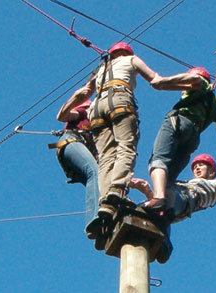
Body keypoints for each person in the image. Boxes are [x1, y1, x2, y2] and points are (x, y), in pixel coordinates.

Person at [78, 42, 181, 228]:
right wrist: (187, 83)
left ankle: (105, 203)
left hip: (96, 108)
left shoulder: (101, 68)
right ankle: (116, 191)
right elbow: (156, 80)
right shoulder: (131, 59)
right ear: (126, 52)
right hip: (119, 99)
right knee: (126, 147)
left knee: (106, 158)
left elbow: (86, 91)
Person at [140, 67, 216, 213]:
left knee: (158, 160)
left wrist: (161, 81)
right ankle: (165, 209)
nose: (184, 91)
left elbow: (194, 80)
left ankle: (158, 197)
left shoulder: (200, 83)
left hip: (179, 122)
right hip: (193, 138)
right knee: (168, 179)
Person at [129, 152, 216, 263]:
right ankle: (163, 243)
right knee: (157, 211)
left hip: (186, 199)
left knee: (166, 198)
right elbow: (159, 202)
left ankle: (165, 244)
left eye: (201, 165)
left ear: (212, 170)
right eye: (195, 167)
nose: (197, 168)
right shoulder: (186, 183)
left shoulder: (215, 184)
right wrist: (146, 190)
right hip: (175, 201)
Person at [52, 86, 100, 239]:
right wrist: (76, 97)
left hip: (76, 152)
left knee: (101, 184)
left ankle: (102, 230)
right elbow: (62, 116)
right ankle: (94, 219)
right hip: (71, 142)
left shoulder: (99, 128)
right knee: (95, 173)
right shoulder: (84, 112)